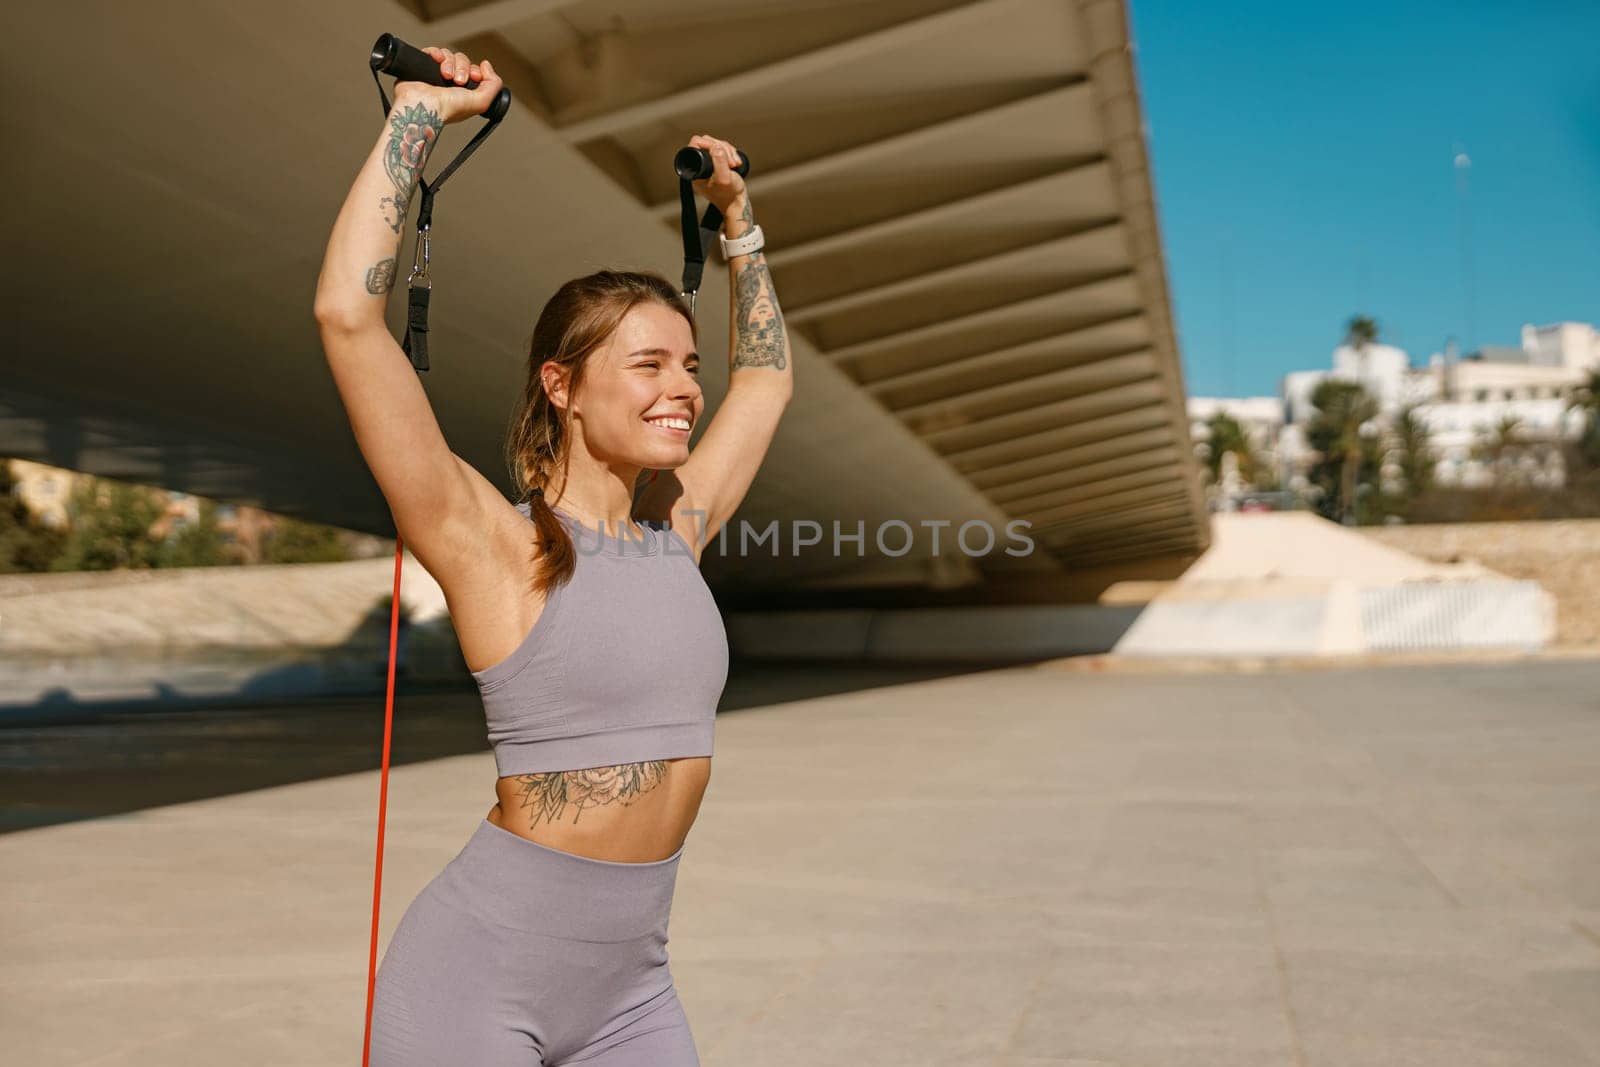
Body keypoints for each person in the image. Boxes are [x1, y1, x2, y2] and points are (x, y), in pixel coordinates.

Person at [313, 45, 793, 1067]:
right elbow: (347, 317)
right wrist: (417, 118)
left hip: (631, 986)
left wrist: (736, 218)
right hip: (476, 982)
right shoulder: (494, 541)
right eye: (648, 364)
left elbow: (766, 380)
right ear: (563, 384)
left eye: (687, 364)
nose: (684, 388)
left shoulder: (678, 529)